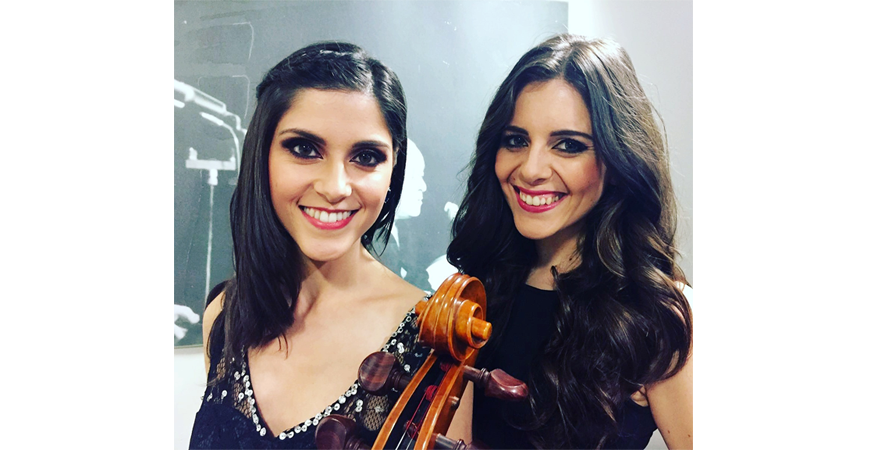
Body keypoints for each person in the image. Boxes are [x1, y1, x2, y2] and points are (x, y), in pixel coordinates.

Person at [190, 42, 471, 449]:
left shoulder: (436, 345)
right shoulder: (225, 314)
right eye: (304, 149)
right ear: (261, 155)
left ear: (394, 168)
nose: (335, 187)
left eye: (366, 157)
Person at [447, 34, 693, 450]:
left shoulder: (660, 314)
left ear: (617, 161)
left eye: (568, 146)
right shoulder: (477, 293)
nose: (531, 169)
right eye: (516, 140)